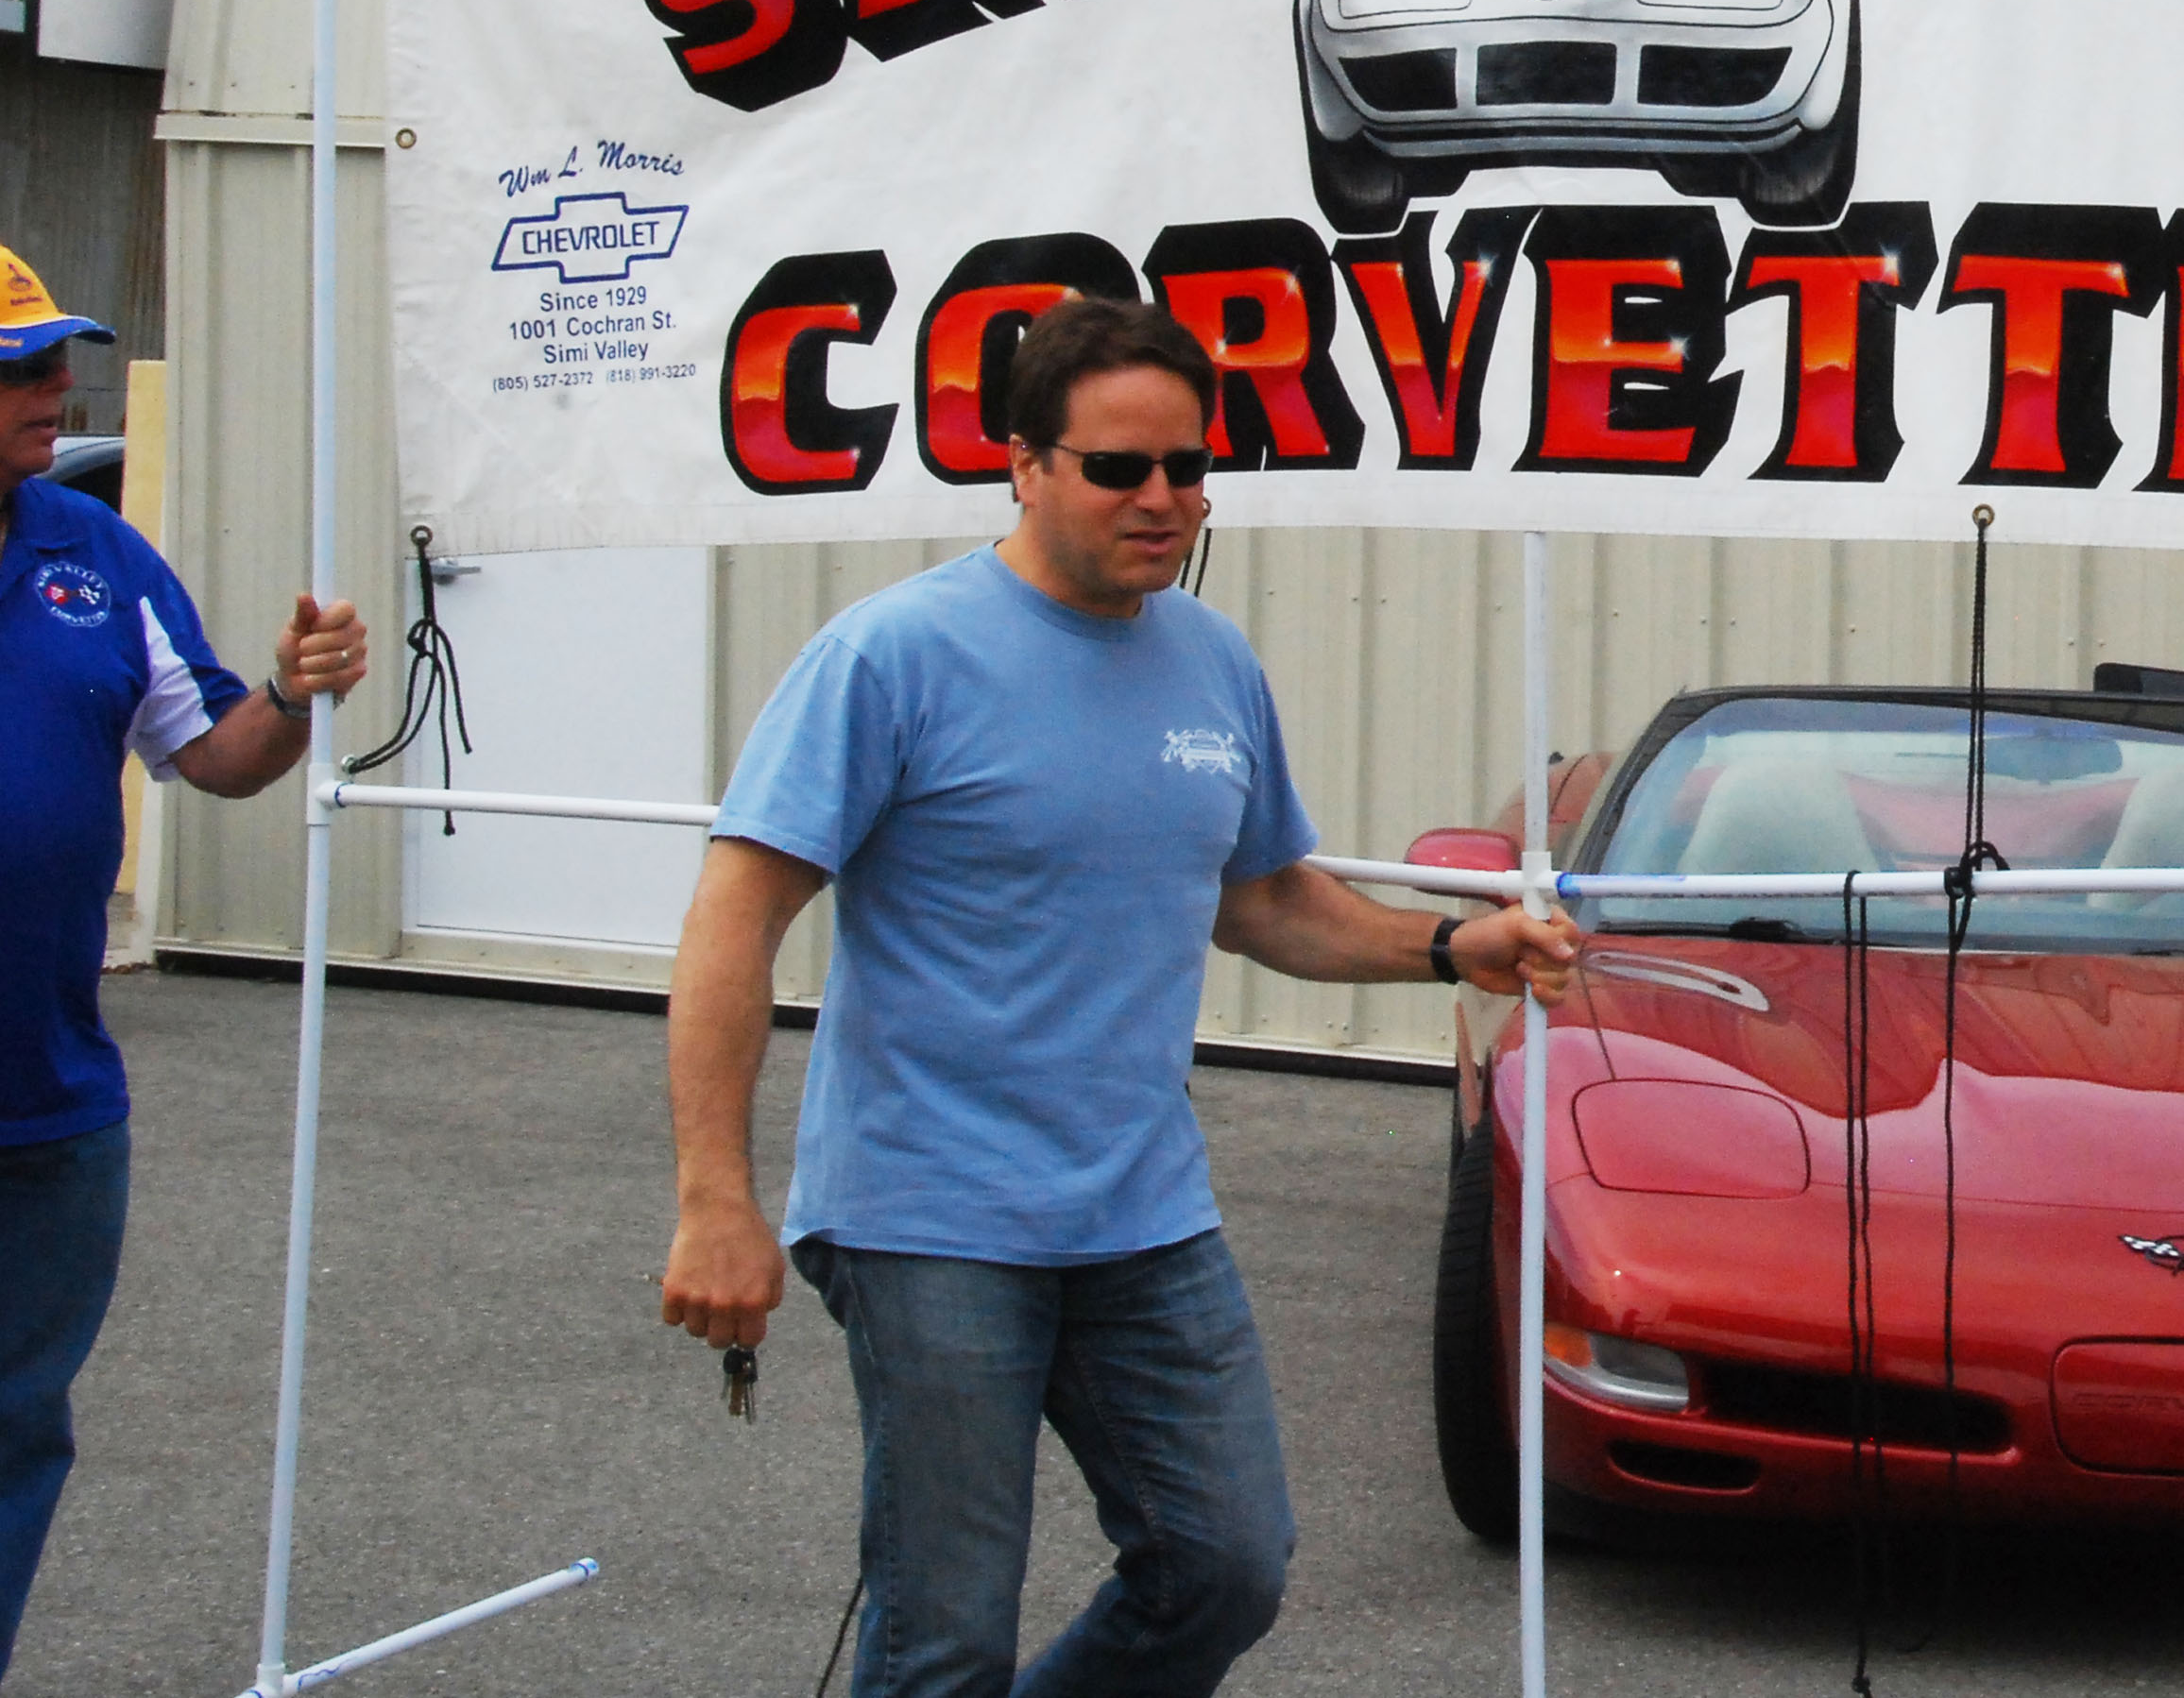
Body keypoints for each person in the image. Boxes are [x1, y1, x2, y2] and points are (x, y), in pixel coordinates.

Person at [657, 293, 1579, 1698]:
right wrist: (715, 1199)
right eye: (1118, 469)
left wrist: (1453, 949)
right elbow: (737, 918)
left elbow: (1266, 900)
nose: (1164, 500)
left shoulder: (1209, 662)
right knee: (944, 1631)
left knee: (1224, 1564)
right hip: (929, 1218)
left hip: (1141, 1216)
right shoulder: (891, 658)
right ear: (1022, 463)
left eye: (1188, 468)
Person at [0, 238, 370, 1698]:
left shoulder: (95, 551)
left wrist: (292, 694)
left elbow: (216, 759)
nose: (50, 387)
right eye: (7, 366)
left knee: (6, 1437)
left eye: (54, 356)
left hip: (47, 1110)